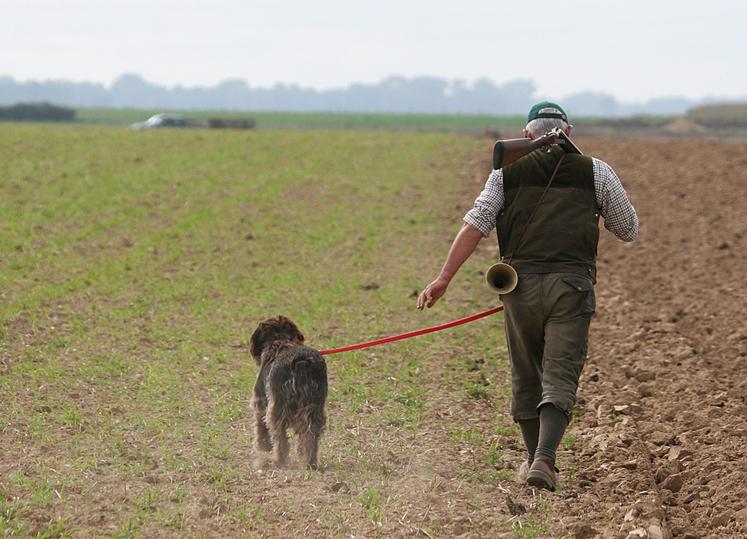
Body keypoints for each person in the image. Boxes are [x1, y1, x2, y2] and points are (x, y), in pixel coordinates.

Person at [417, 102, 639, 491]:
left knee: (526, 374)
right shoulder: (597, 170)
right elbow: (628, 229)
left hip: (518, 288)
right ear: (568, 133)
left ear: (526, 136)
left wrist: (443, 278)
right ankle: (545, 461)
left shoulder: (505, 173)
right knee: (560, 373)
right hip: (571, 289)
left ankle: (533, 459)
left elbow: (476, 223)